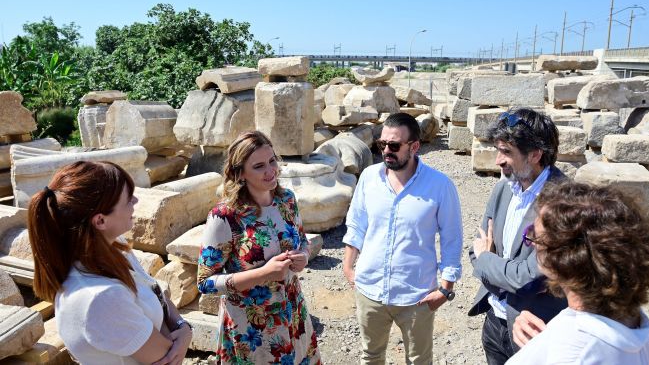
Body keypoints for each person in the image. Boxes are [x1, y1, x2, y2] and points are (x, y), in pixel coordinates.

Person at [28, 161, 192, 365]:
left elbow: (154, 291)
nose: (136, 200)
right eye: (127, 199)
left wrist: (183, 328)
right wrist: (180, 336)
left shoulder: (114, 247)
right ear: (100, 221)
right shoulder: (100, 298)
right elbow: (166, 358)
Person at [342, 112, 463, 365]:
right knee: (371, 355)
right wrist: (348, 267)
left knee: (418, 360)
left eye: (394, 145)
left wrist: (446, 288)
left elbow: (452, 239)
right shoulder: (368, 178)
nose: (386, 150)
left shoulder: (440, 186)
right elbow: (356, 224)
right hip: (370, 290)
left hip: (416, 295)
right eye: (382, 144)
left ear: (414, 146)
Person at [197, 131, 321, 364]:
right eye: (259, 166)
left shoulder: (287, 200)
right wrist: (264, 273)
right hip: (252, 328)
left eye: (272, 161)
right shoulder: (225, 216)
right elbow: (205, 282)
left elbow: (303, 240)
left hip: (294, 314)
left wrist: (304, 255)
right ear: (240, 173)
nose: (271, 170)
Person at [507, 182, 649, 364]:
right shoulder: (633, 322)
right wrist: (542, 344)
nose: (531, 242)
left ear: (564, 259)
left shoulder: (575, 353)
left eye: (535, 236)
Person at [467, 108, 567, 365]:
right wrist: (489, 261)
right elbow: (474, 250)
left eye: (507, 152)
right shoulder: (503, 189)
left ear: (535, 154)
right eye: (498, 150)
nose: (498, 160)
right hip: (494, 321)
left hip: (533, 330)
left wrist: (488, 259)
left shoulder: (563, 202)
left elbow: (530, 279)